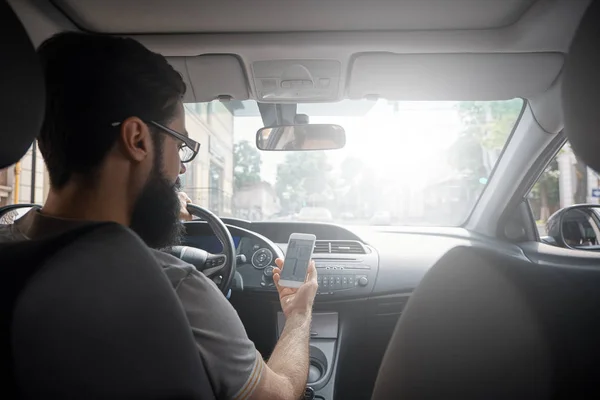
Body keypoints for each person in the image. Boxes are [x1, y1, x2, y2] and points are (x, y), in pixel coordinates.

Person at [0, 32, 318, 400]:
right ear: (136, 139)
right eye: (179, 144)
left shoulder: (8, 248)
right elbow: (279, 396)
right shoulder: (175, 289)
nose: (180, 169)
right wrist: (298, 313)